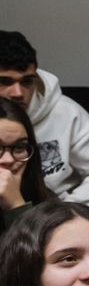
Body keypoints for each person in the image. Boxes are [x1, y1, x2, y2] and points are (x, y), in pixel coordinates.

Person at [0, 31, 89, 205]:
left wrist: (66, 212)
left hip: (52, 211)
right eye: (5, 82)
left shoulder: (66, 112)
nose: (18, 93)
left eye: (27, 82)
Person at [0, 98, 53, 229]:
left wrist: (17, 206)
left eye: (19, 147)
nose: (8, 159)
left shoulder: (45, 202)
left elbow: (37, 249)